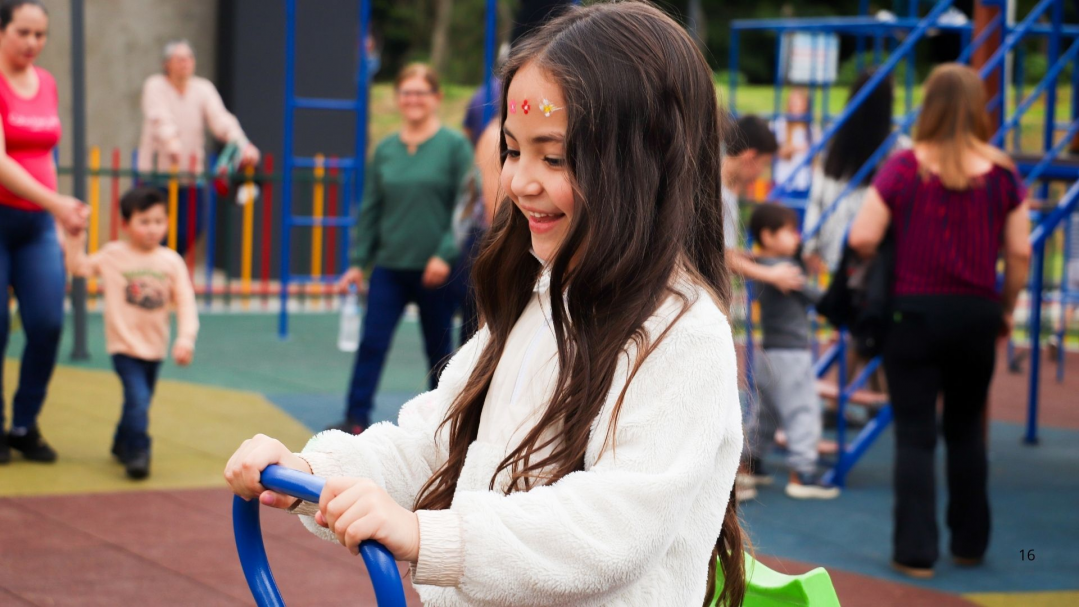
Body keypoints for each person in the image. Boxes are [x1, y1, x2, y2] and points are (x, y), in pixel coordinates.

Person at [225, 3, 747, 605]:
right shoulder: (540, 299)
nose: (520, 182)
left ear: (643, 163)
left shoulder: (683, 335)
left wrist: (428, 536)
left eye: (554, 157)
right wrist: (310, 472)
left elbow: (612, 525)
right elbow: (432, 442)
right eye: (513, 151)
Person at [849, 63, 1031, 579]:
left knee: (914, 434)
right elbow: (1020, 253)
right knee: (967, 429)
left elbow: (862, 236)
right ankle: (970, 543)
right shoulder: (1002, 174)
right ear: (978, 108)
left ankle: (915, 552)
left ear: (929, 106)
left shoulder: (904, 167)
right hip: (976, 314)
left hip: (913, 312)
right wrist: (1006, 306)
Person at [333, 64, 473, 435]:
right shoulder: (386, 150)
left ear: (436, 98)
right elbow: (371, 209)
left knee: (439, 352)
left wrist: (444, 254)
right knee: (372, 343)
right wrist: (358, 263)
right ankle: (355, 418)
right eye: (406, 92)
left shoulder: (453, 147)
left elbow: (466, 205)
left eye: (421, 92)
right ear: (397, 98)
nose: (413, 100)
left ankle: (444, 425)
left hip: (435, 269)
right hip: (390, 266)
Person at [0, 0, 88, 465]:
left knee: (48, 323)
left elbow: (45, 155)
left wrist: (58, 216)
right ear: (2, 31)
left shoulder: (47, 83)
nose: (33, 42)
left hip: (35, 225)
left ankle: (23, 424)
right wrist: (57, 203)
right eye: (23, 32)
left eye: (40, 34)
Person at [65, 187, 199, 479]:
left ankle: (120, 441)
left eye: (158, 221)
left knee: (139, 400)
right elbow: (79, 267)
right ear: (126, 224)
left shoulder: (170, 261)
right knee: (138, 399)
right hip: (123, 346)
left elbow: (186, 301)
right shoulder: (114, 254)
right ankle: (138, 451)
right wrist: (75, 237)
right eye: (144, 221)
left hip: (155, 347)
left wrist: (185, 338)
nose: (152, 229)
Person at [739, 203, 838, 501]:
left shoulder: (763, 267)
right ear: (768, 236)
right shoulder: (784, 269)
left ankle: (749, 465)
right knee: (803, 410)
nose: (797, 237)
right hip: (791, 354)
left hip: (768, 352)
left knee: (764, 414)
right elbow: (816, 297)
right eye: (789, 231)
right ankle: (802, 473)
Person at [137, 39, 260, 257]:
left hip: (190, 175)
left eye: (189, 58)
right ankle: (157, 265)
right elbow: (159, 118)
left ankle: (169, 262)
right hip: (157, 175)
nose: (185, 63)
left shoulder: (203, 88)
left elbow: (221, 119)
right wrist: (172, 143)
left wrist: (242, 144)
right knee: (153, 227)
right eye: (179, 59)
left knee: (192, 227)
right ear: (166, 64)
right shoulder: (155, 85)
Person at [804, 70, 906, 274]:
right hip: (875, 249)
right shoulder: (897, 148)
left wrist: (810, 244)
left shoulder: (833, 143)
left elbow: (817, 196)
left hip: (832, 247)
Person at [723, 115, 805, 293]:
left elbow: (722, 249)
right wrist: (771, 274)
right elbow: (721, 256)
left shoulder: (725, 190)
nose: (762, 173)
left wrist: (756, 256)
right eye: (764, 164)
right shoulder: (717, 193)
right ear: (750, 157)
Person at [771, 87, 813, 195]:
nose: (794, 106)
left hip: (804, 182)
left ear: (805, 105)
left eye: (798, 103)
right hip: (784, 181)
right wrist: (795, 148)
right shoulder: (781, 124)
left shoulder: (811, 128)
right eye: (792, 102)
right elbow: (777, 152)